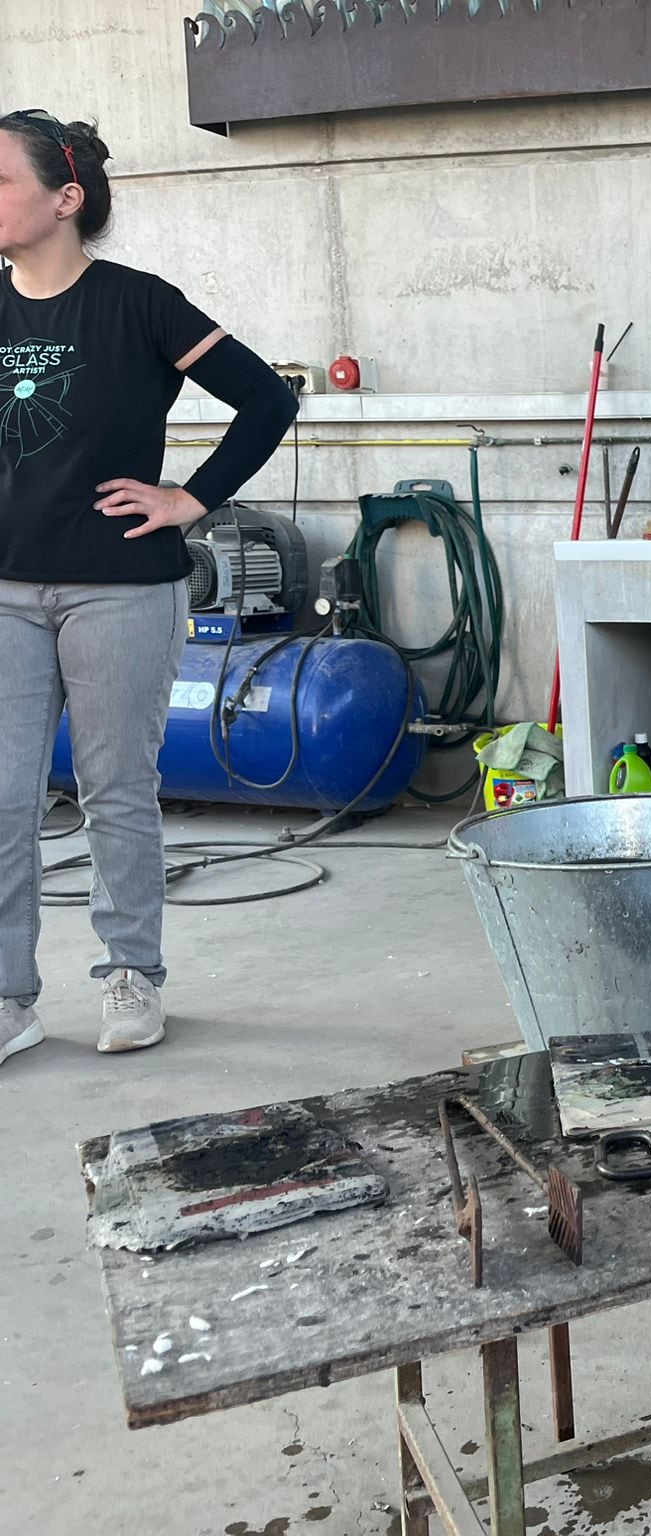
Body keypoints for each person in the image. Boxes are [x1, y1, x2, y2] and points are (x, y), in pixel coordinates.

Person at [0, 110, 297, 1066]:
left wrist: (192, 498)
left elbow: (269, 399)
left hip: (120, 587)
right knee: (3, 799)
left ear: (65, 198)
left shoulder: (139, 303)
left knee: (115, 788)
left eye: (3, 181)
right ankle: (10, 997)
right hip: (4, 588)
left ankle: (132, 975)